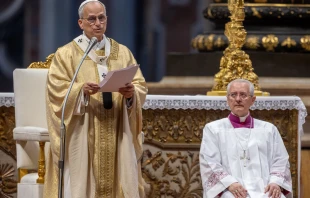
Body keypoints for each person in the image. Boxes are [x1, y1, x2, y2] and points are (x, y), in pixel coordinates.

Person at [43, 0, 148, 198]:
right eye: (91, 19)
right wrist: (80, 90)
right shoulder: (67, 54)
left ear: (106, 20)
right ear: (81, 23)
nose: (97, 23)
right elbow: (56, 90)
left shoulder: (123, 52)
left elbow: (140, 85)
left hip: (117, 127)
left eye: (101, 18)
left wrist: (130, 95)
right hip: (83, 130)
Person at [199, 79, 292, 198]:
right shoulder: (213, 129)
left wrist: (275, 182)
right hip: (230, 189)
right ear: (228, 99)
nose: (238, 99)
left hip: (265, 188)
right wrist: (230, 183)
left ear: (252, 100)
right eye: (233, 95)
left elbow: (281, 160)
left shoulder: (269, 129)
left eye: (243, 95)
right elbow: (209, 162)